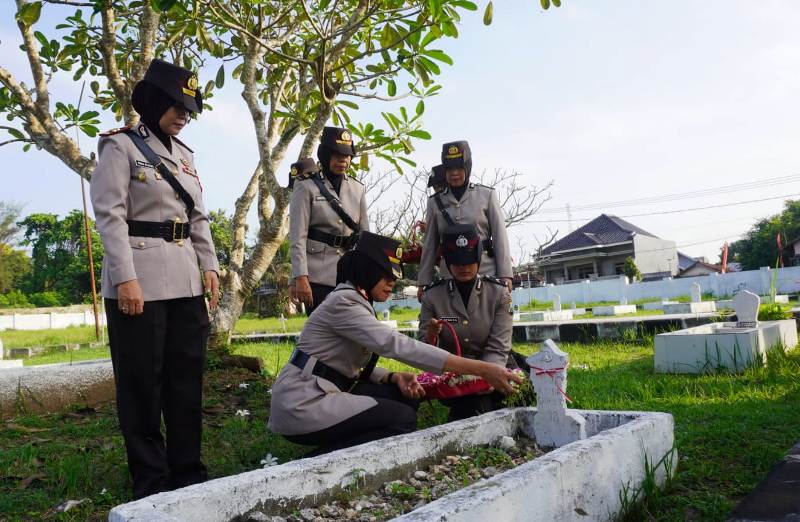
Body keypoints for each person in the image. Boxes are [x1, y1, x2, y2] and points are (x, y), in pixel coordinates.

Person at [90, 59, 219, 499]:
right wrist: (124, 278)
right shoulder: (120, 146)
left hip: (185, 280)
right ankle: (150, 480)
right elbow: (109, 216)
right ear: (154, 101)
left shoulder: (186, 156)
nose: (183, 115)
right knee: (142, 383)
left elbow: (197, 217)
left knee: (186, 378)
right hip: (138, 280)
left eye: (189, 108)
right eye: (176, 105)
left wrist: (211, 266)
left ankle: (187, 472)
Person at [268, 231, 522, 455]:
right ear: (367, 272)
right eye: (385, 275)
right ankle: (314, 466)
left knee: (404, 398)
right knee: (402, 419)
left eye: (395, 277)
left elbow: (346, 364)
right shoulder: (344, 303)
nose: (392, 283)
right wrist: (483, 369)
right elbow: (397, 345)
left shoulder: (355, 302)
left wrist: (393, 377)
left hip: (323, 388)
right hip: (304, 402)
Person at [419, 224, 517, 421]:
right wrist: (431, 336)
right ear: (447, 261)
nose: (464, 267)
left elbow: (499, 345)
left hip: (496, 363)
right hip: (458, 372)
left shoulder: (499, 293)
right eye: (457, 262)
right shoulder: (432, 296)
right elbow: (424, 351)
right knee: (472, 408)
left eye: (469, 261)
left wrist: (485, 377)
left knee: (497, 403)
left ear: (479, 258)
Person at [417, 140, 513, 299]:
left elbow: (500, 236)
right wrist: (423, 281)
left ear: (467, 167)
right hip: (450, 274)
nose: (454, 173)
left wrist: (506, 274)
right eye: (450, 169)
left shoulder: (486, 195)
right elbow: (429, 245)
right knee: (454, 320)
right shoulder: (434, 202)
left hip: (485, 271)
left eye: (459, 168)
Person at [289, 127, 369, 315]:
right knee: (323, 338)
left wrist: (368, 277)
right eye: (337, 155)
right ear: (325, 154)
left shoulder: (358, 189)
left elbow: (365, 236)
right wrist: (299, 278)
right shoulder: (306, 185)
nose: (343, 160)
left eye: (347, 156)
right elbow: (297, 237)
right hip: (317, 278)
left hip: (350, 277)